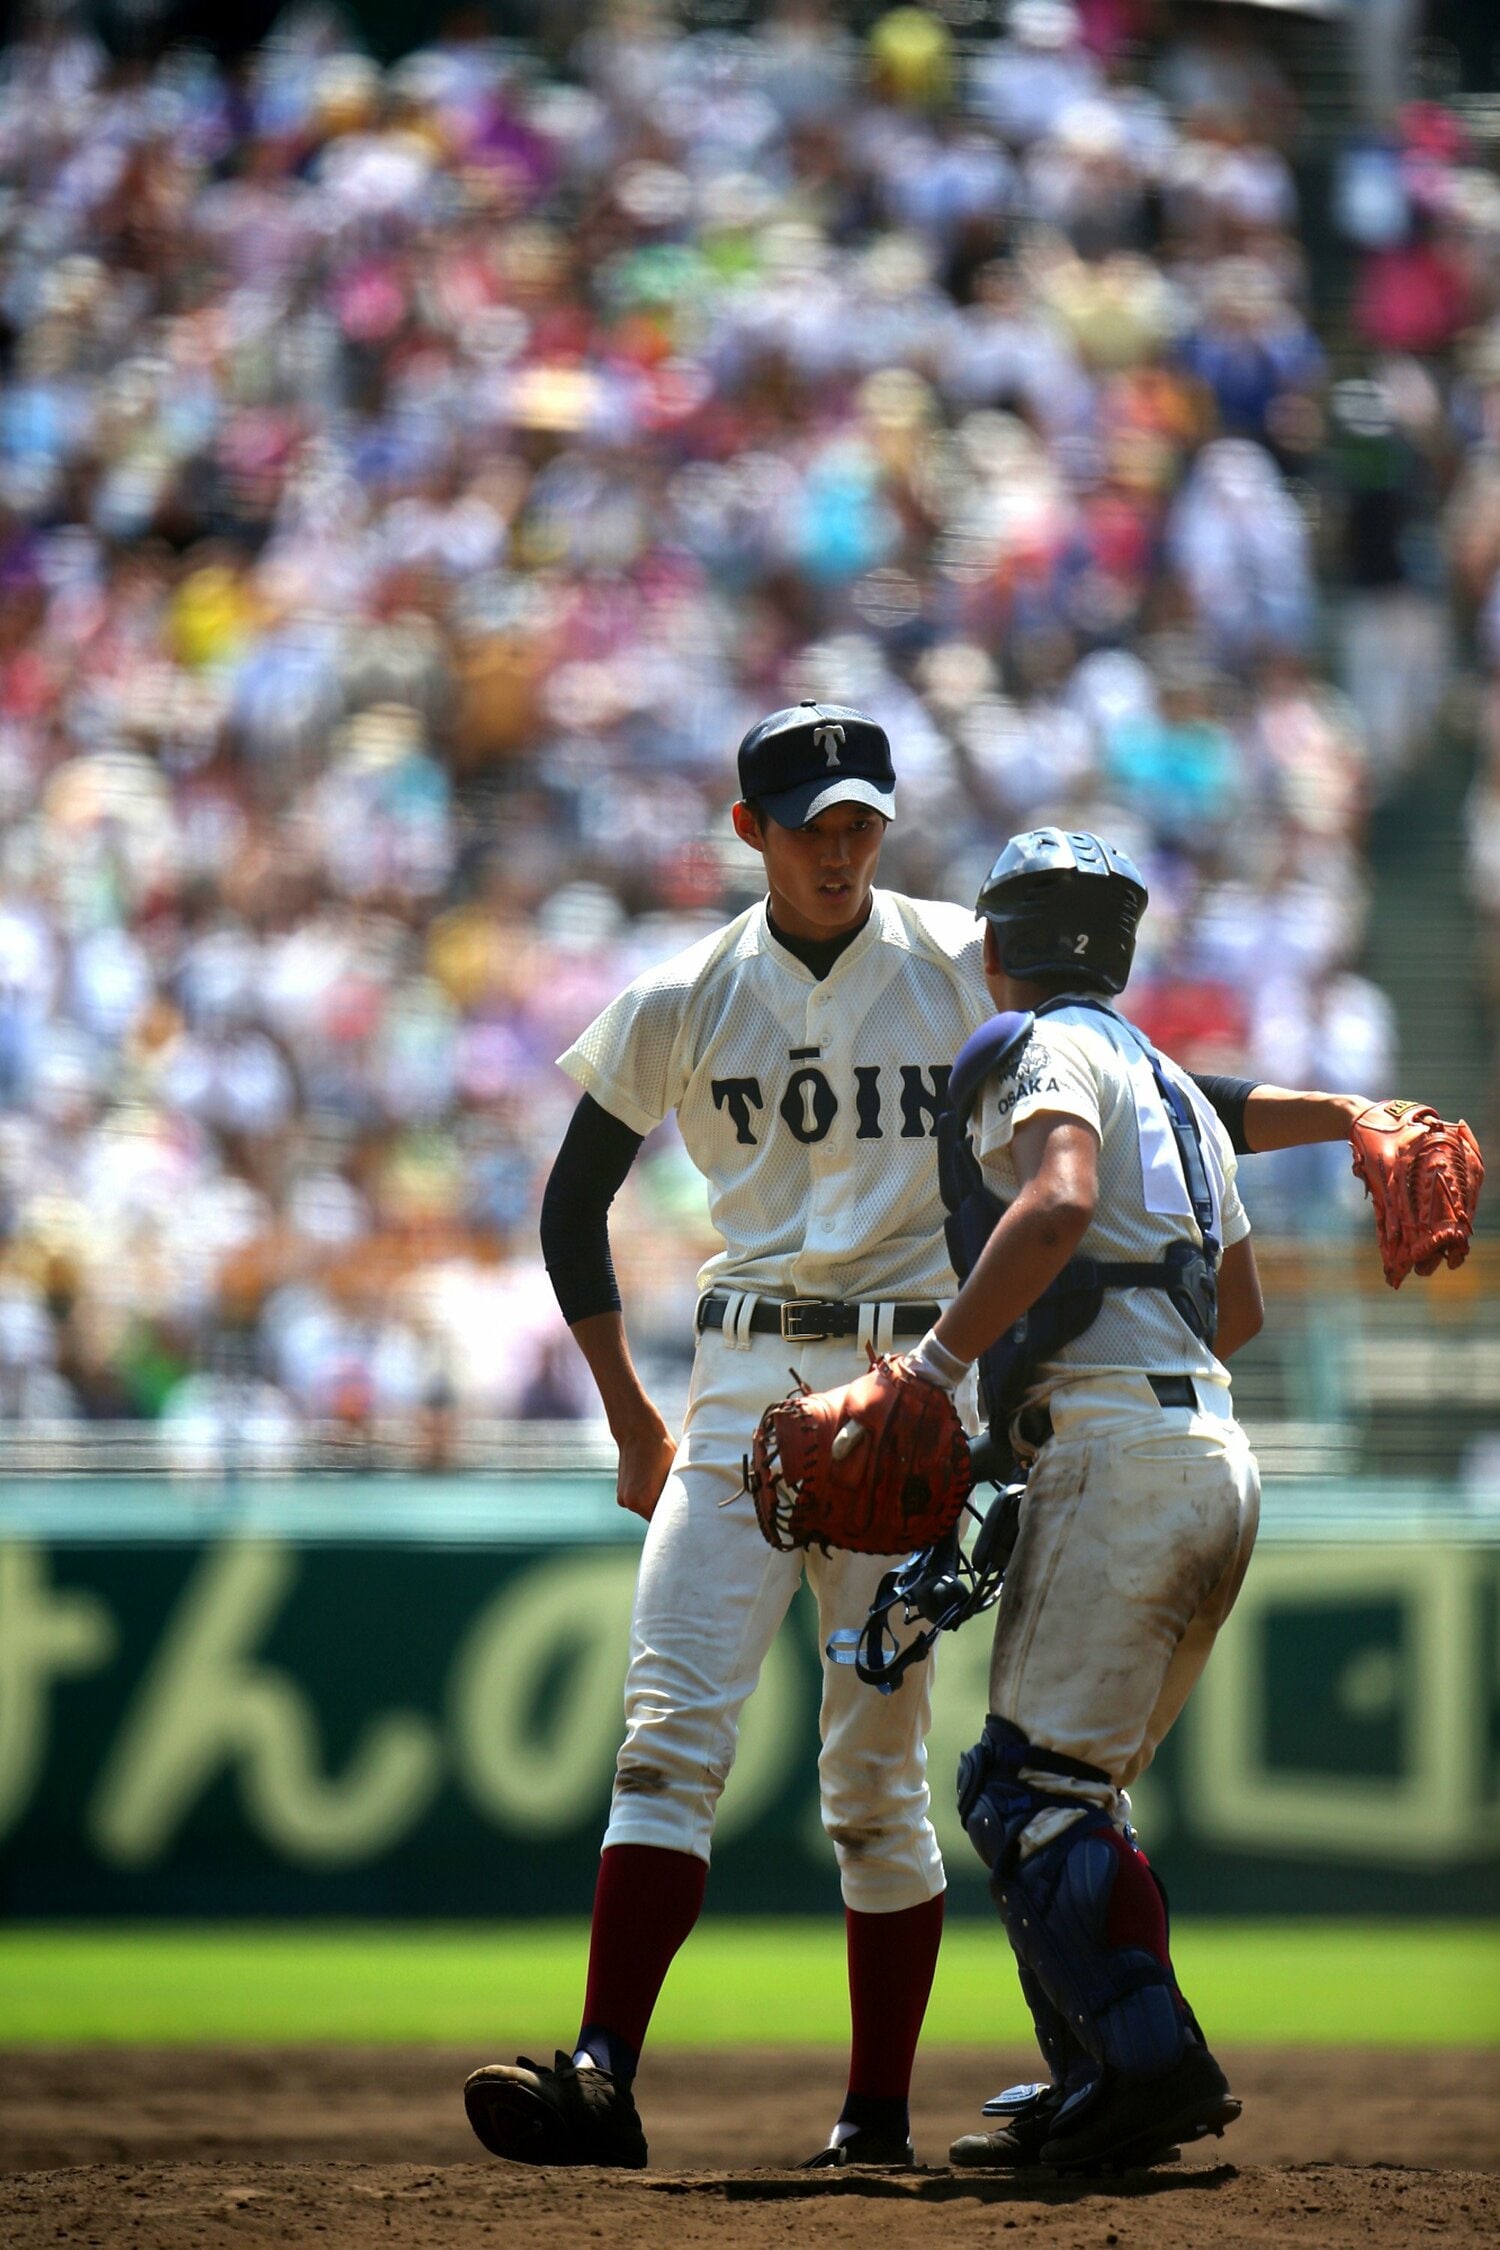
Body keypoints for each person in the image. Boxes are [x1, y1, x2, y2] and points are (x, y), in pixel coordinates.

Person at [460, 714, 1389, 2175]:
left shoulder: (972, 954)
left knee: (876, 1777)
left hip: (911, 1385)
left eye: (861, 819)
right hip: (742, 1380)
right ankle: (600, 2067)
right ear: (750, 827)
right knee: (667, 1728)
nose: (841, 845)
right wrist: (630, 1414)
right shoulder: (684, 992)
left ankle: (873, 2116)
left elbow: (1157, 1094)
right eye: (812, 820)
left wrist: (1336, 1114)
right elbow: (571, 1204)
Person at [883, 827, 1263, 2171]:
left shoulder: (1048, 1043)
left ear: (998, 944)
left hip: (1124, 1456)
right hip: (1214, 1448)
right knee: (1069, 1795)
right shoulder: (1174, 1082)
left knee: (1025, 1793)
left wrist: (936, 1372)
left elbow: (1057, 1198)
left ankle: (1149, 2066)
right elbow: (1247, 1307)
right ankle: (1105, 2066)